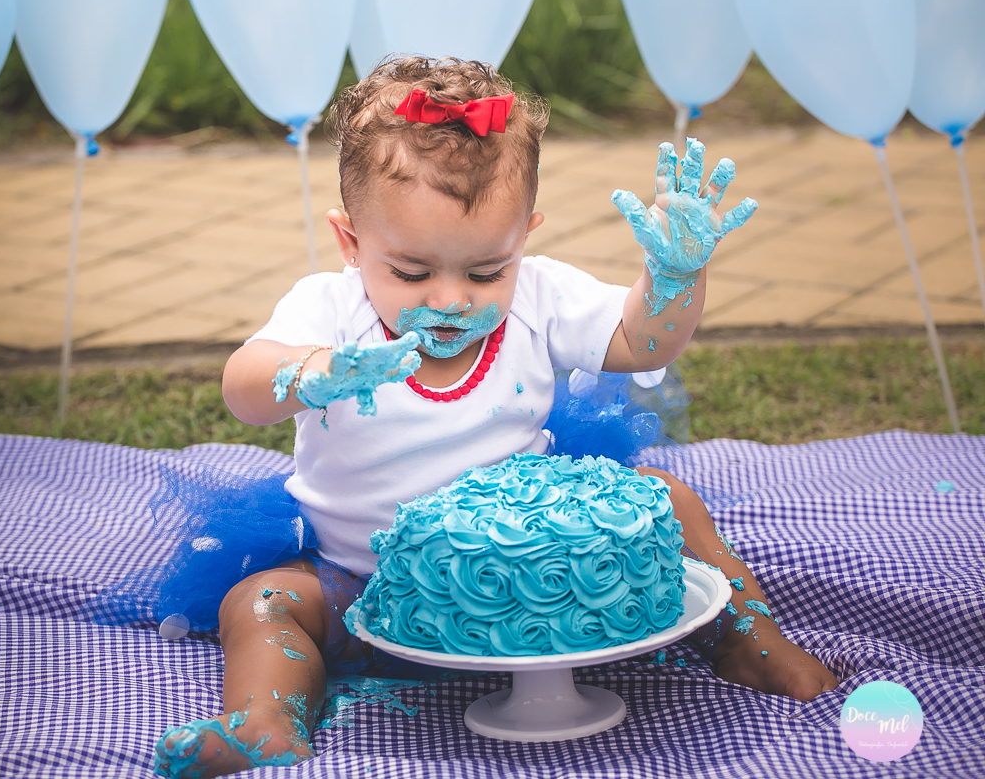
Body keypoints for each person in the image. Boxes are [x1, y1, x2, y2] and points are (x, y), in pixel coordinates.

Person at [151, 57, 839, 778]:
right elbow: (243, 388)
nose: (451, 299)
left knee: (670, 499)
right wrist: (315, 370)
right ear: (352, 241)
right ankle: (270, 720)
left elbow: (640, 341)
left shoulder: (541, 299)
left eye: (486, 271)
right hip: (363, 590)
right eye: (412, 272)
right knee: (260, 601)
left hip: (534, 590)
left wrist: (674, 278)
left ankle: (748, 642)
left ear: (524, 237)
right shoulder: (330, 307)